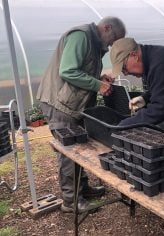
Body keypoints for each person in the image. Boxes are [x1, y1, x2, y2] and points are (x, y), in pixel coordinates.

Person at [36, 16, 126, 212]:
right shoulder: (81, 36)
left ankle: (82, 188)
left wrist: (98, 78)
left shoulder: (93, 41)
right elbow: (67, 71)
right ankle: (71, 200)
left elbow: (80, 69)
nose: (111, 45)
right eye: (113, 39)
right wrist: (97, 85)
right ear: (106, 27)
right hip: (60, 103)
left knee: (78, 146)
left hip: (71, 103)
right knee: (69, 151)